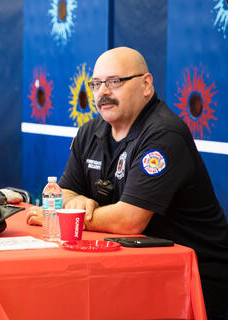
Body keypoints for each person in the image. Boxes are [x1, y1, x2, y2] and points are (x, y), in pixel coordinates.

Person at [27, 47, 228, 319]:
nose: (102, 93)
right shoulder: (90, 131)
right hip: (132, 268)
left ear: (146, 85)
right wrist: (76, 202)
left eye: (114, 82)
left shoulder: (163, 135)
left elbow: (129, 221)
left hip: (192, 279)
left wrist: (74, 216)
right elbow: (67, 191)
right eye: (96, 84)